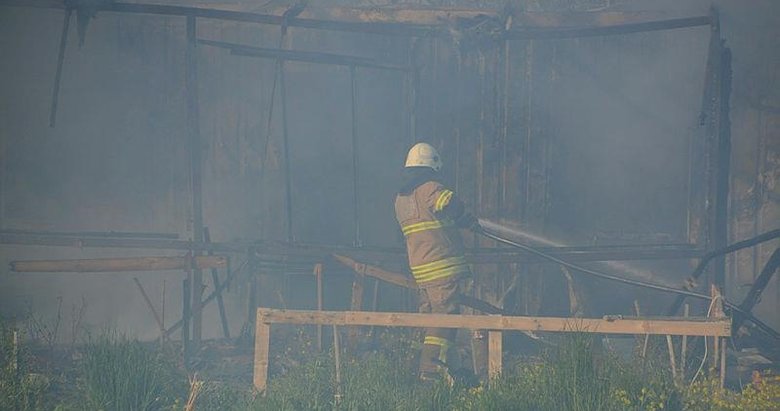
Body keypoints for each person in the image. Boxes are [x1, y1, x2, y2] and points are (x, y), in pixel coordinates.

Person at [394, 142, 480, 382]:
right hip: (442, 267)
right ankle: (430, 372)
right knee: (444, 318)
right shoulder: (430, 188)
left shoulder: (401, 198)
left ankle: (433, 368)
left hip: (421, 271)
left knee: (429, 319)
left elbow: (431, 218)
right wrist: (464, 217)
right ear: (431, 167)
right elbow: (448, 202)